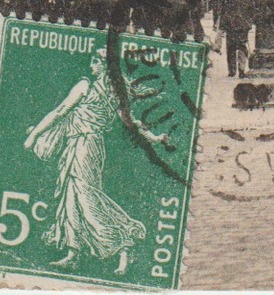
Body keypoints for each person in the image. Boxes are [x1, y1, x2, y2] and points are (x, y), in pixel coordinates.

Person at [23, 50, 167, 275]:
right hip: (86, 146)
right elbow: (132, 123)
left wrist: (33, 136)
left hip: (84, 146)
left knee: (85, 195)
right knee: (72, 195)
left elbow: (60, 111)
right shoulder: (115, 93)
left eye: (95, 61)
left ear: (105, 66)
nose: (91, 65)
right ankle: (73, 252)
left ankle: (123, 241)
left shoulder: (86, 86)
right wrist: (154, 138)